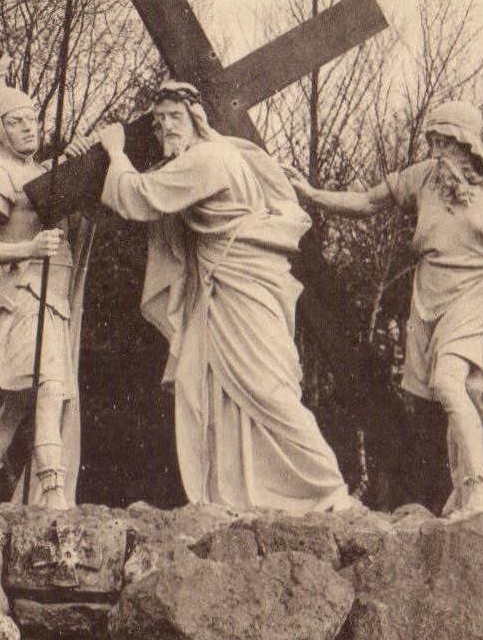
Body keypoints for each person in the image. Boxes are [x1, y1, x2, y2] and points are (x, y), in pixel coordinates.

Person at [70, 81, 354, 515]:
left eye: (175, 117)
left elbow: (140, 197)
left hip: (241, 284)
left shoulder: (206, 159)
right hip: (224, 286)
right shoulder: (221, 153)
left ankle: (327, 487)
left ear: (196, 119)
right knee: (213, 387)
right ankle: (239, 494)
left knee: (263, 386)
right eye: (159, 120)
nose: (166, 127)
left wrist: (115, 153)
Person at [285, 100, 483, 520]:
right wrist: (312, 195)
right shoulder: (423, 178)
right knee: (461, 396)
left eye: (445, 142)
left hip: (477, 298)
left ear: (468, 144)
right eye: (432, 141)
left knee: (448, 384)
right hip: (430, 301)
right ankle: (464, 488)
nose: (436, 151)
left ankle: (477, 490)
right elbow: (367, 202)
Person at [0, 86, 85, 515]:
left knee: (20, 403)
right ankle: (53, 494)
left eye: (32, 119)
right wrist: (30, 248)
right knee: (48, 390)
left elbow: (82, 211)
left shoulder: (46, 172)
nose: (29, 128)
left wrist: (79, 164)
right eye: (16, 122)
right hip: (22, 298)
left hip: (54, 300)